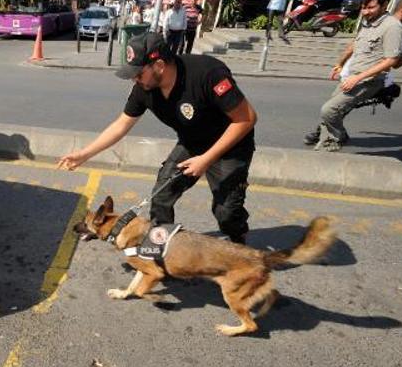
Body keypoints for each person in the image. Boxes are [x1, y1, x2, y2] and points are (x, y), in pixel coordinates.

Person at [58, 33, 258, 244]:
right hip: (192, 144)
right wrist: (84, 154)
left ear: (159, 65)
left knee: (226, 213)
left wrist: (206, 159)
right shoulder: (144, 88)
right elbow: (121, 124)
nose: (134, 79)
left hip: (231, 146)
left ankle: (238, 239)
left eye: (138, 73)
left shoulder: (207, 74)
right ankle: (163, 248)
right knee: (161, 197)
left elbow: (246, 119)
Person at [302, 0, 402, 152]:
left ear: (385, 5)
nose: (365, 11)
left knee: (329, 110)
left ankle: (336, 138)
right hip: (352, 76)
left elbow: (391, 61)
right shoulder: (368, 21)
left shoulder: (392, 27)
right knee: (334, 108)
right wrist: (340, 63)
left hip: (369, 81)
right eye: (364, 7)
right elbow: (355, 44)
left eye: (370, 7)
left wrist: (357, 78)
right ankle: (324, 135)